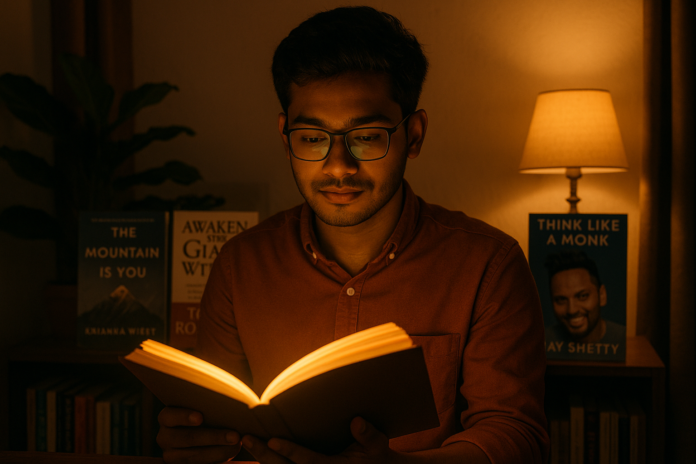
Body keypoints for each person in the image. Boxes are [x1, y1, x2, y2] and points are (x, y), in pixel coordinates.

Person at [156, 6, 548, 464]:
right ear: (286, 139)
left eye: (366, 136)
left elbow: (516, 436)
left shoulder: (488, 265)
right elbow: (223, 421)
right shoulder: (241, 265)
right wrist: (199, 443)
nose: (338, 166)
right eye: (312, 137)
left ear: (414, 135)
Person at [544, 249, 625, 344]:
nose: (572, 310)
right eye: (561, 300)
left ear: (602, 295)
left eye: (582, 296)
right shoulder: (542, 342)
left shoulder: (622, 340)